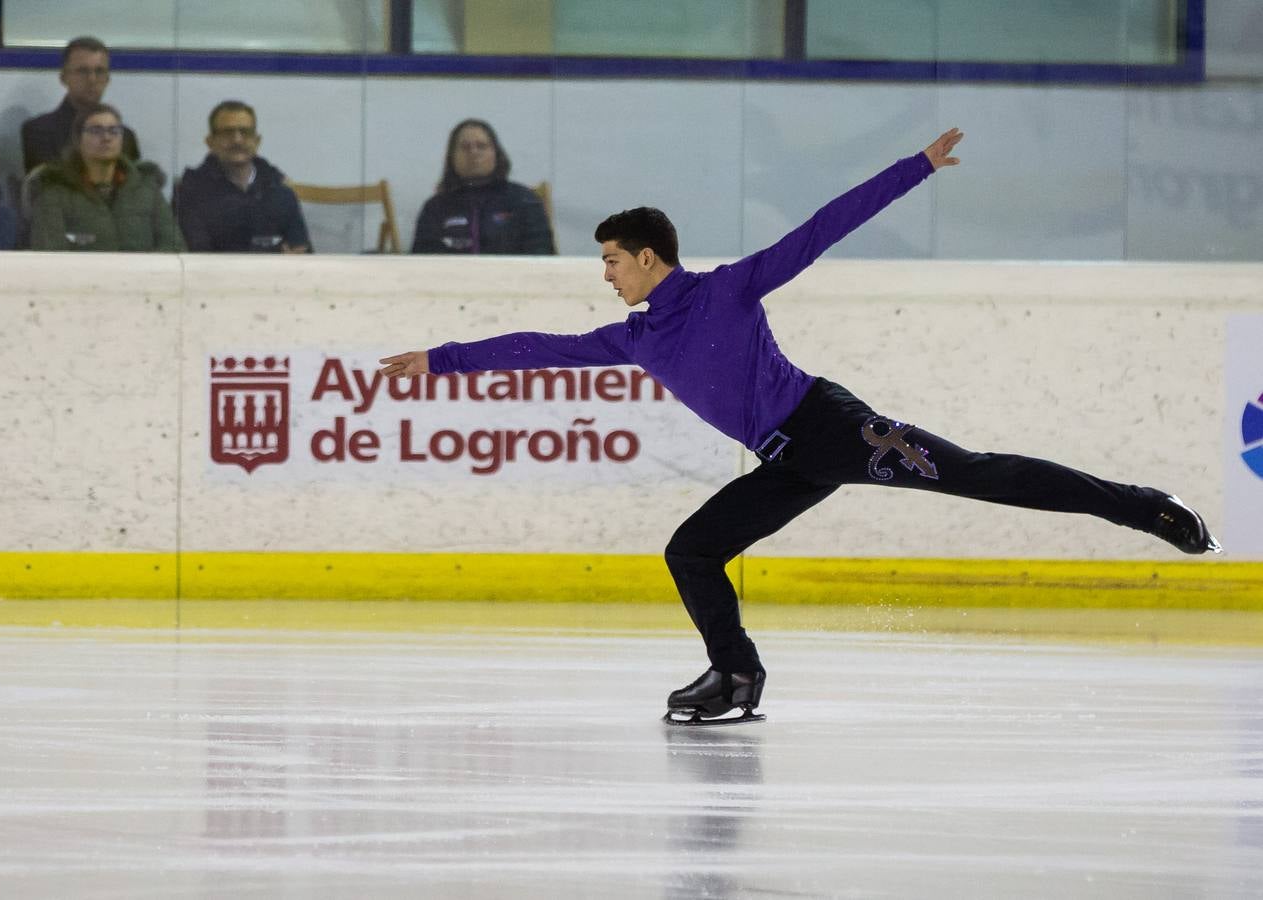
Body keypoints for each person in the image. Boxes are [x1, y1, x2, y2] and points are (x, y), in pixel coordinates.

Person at [379, 128, 1223, 727]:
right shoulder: (630, 339)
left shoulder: (728, 290)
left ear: (646, 258)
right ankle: (736, 674)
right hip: (786, 460)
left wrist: (915, 168)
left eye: (609, 260)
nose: (602, 276)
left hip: (833, 429)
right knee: (692, 549)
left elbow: (821, 227)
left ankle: (1144, 507)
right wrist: (440, 358)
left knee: (981, 473)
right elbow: (536, 347)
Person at [28, 104, 185, 253]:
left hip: (145, 278)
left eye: (114, 131)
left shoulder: (146, 187)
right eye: (96, 131)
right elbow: (49, 254)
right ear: (77, 140)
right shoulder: (55, 190)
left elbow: (174, 245)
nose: (106, 137)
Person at [172, 100, 310, 253]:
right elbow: (198, 256)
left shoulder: (281, 193)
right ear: (210, 142)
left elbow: (302, 254)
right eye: (227, 132)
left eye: (245, 132)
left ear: (257, 141)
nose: (237, 140)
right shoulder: (190, 193)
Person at [411, 119, 553, 255]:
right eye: (465, 147)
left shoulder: (524, 201)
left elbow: (542, 257)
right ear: (452, 157)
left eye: (482, 146)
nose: (474, 152)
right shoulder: (434, 208)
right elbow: (422, 262)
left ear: (496, 154)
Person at [19, 36, 140, 176]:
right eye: (83, 71)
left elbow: (133, 191)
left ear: (107, 79)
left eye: (99, 71)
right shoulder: (39, 132)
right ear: (63, 77)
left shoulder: (125, 137)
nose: (92, 79)